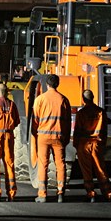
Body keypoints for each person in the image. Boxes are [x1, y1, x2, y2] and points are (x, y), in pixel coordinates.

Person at [32, 74, 72, 203]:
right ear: (58, 84)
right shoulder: (64, 100)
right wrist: (65, 138)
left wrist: (35, 134)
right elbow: (67, 122)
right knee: (60, 164)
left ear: (47, 84)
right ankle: (60, 193)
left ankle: (42, 194)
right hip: (58, 136)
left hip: (43, 136)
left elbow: (35, 120)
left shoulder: (40, 99)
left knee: (43, 163)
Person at [73, 89, 111, 202]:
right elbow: (104, 130)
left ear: (83, 99)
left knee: (86, 170)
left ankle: (91, 193)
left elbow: (77, 130)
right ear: (93, 97)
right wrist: (103, 144)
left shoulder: (81, 113)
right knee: (100, 169)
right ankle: (108, 193)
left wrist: (76, 145)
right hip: (97, 143)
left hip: (83, 144)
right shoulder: (101, 112)